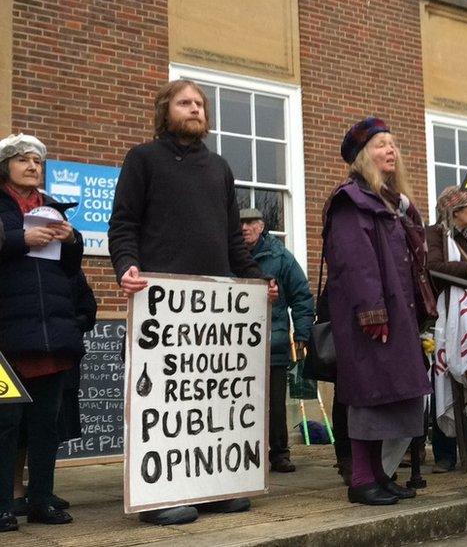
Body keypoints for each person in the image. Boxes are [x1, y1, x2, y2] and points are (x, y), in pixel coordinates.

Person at [108, 80, 278, 526]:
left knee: (209, 397)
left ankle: (213, 486)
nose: (195, 109)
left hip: (213, 307)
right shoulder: (142, 159)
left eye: (200, 104)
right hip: (160, 303)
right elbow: (123, 224)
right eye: (185, 102)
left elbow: (232, 242)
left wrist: (257, 280)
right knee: (161, 401)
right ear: (166, 110)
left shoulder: (220, 168)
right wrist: (125, 265)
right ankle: (158, 497)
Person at [322, 117, 433, 506]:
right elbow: (357, 262)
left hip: (395, 314)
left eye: (393, 143)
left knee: (392, 395)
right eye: (380, 144)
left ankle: (381, 475)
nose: (391, 150)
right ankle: (362, 478)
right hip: (370, 318)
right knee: (369, 395)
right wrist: (372, 313)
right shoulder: (351, 200)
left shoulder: (390, 203)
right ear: (360, 156)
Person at [0, 133, 84, 531]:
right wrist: (19, 239)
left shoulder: (52, 208)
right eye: (23, 160)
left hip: (51, 334)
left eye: (37, 160)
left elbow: (69, 271)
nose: (32, 166)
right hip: (8, 338)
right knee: (5, 425)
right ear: (6, 166)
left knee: (45, 426)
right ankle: (2, 504)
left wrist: (72, 240)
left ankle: (41, 500)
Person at [12, 269, 97, 518]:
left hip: (58, 352)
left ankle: (42, 491)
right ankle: (15, 490)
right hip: (17, 350)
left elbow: (87, 308)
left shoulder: (66, 267)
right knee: (14, 426)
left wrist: (66, 327)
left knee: (48, 426)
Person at [425, 186, 467, 473]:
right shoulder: (434, 235)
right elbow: (433, 267)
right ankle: (444, 455)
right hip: (444, 321)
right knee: (443, 381)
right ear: (455, 211)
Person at [240, 208, 314, 474]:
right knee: (241, 400)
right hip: (238, 344)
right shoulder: (231, 253)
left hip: (274, 342)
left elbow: (301, 296)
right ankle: (245, 452)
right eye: (240, 224)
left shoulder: (280, 256)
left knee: (274, 403)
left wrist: (303, 334)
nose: (244, 228)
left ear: (261, 226)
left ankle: (280, 453)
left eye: (249, 223)